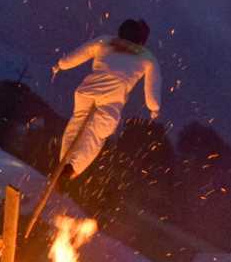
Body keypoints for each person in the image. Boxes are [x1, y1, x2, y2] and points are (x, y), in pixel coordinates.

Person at [50, 18, 161, 179]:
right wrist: (154, 108)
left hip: (88, 91)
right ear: (141, 40)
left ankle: (63, 163)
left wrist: (61, 64)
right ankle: (72, 168)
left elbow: (81, 53)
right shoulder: (147, 57)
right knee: (95, 134)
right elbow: (153, 87)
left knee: (77, 121)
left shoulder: (106, 41)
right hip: (112, 100)